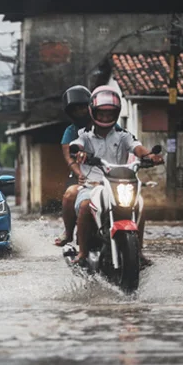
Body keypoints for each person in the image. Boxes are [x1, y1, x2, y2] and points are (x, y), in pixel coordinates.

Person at [69, 86, 164, 266]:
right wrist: (79, 153)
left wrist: (149, 156)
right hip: (92, 185)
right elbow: (77, 145)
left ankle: (139, 251)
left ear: (116, 114)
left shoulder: (123, 136)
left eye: (109, 114)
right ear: (93, 112)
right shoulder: (85, 136)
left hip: (117, 183)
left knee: (140, 204)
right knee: (84, 206)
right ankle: (82, 253)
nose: (105, 117)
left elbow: (138, 148)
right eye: (102, 114)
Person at [55, 85, 123, 246]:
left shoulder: (112, 126)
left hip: (111, 176)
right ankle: (69, 232)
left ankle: (138, 250)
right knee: (70, 195)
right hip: (84, 177)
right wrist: (80, 174)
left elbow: (128, 145)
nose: (81, 112)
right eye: (75, 109)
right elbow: (69, 157)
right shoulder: (71, 132)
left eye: (83, 108)